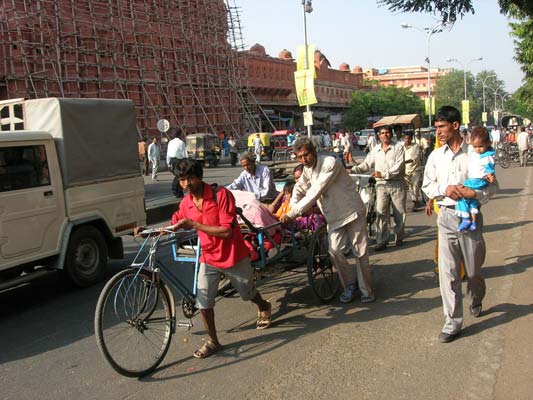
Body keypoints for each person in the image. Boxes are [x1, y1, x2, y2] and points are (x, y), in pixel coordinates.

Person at [168, 159, 272, 358]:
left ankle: (263, 305)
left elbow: (225, 231)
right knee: (203, 302)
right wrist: (150, 232)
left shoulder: (221, 195)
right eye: (182, 179)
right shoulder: (186, 203)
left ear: (199, 176)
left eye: (190, 178)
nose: (186, 184)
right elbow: (176, 222)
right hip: (208, 257)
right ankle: (213, 341)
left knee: (247, 293)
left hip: (233, 255)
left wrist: (195, 225)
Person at [422, 105, 495, 343]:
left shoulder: (475, 154)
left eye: (442, 127)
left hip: (471, 218)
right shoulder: (435, 156)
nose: (439, 132)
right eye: (437, 127)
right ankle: (452, 322)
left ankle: (476, 297)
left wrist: (473, 194)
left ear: (455, 126)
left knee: (473, 271)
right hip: (446, 217)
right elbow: (427, 186)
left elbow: (491, 186)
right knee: (448, 273)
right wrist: (445, 190)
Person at [281, 137, 374, 304]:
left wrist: (293, 213)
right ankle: (350, 285)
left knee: (360, 252)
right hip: (334, 217)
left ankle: (366, 291)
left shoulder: (330, 163)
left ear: (314, 151)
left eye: (306, 155)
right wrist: (292, 207)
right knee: (335, 251)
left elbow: (315, 191)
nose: (304, 160)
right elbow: (299, 188)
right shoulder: (307, 170)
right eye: (299, 157)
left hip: (352, 211)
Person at [351, 125, 406, 251]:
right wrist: (354, 169)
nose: (385, 135)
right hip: (381, 185)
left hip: (397, 183)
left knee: (399, 213)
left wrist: (383, 173)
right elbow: (366, 164)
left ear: (391, 135)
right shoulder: (375, 150)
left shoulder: (398, 148)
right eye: (382, 133)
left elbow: (398, 167)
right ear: (379, 136)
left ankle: (399, 237)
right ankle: (382, 240)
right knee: (381, 212)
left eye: (387, 133)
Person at [455, 127, 496, 232]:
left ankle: (466, 218)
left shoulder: (487, 156)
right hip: (475, 180)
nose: (478, 149)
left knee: (462, 195)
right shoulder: (473, 153)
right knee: (473, 201)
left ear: (488, 143)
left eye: (480, 146)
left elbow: (490, 169)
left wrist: (490, 176)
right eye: (475, 146)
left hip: (478, 181)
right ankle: (473, 221)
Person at [403, 132, 423, 211]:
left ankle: (415, 203)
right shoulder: (401, 147)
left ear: (411, 139)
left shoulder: (415, 146)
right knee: (409, 188)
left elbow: (414, 158)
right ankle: (413, 201)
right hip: (405, 170)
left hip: (415, 169)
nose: (407, 140)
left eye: (408, 139)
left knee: (415, 186)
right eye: (405, 138)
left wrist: (402, 162)